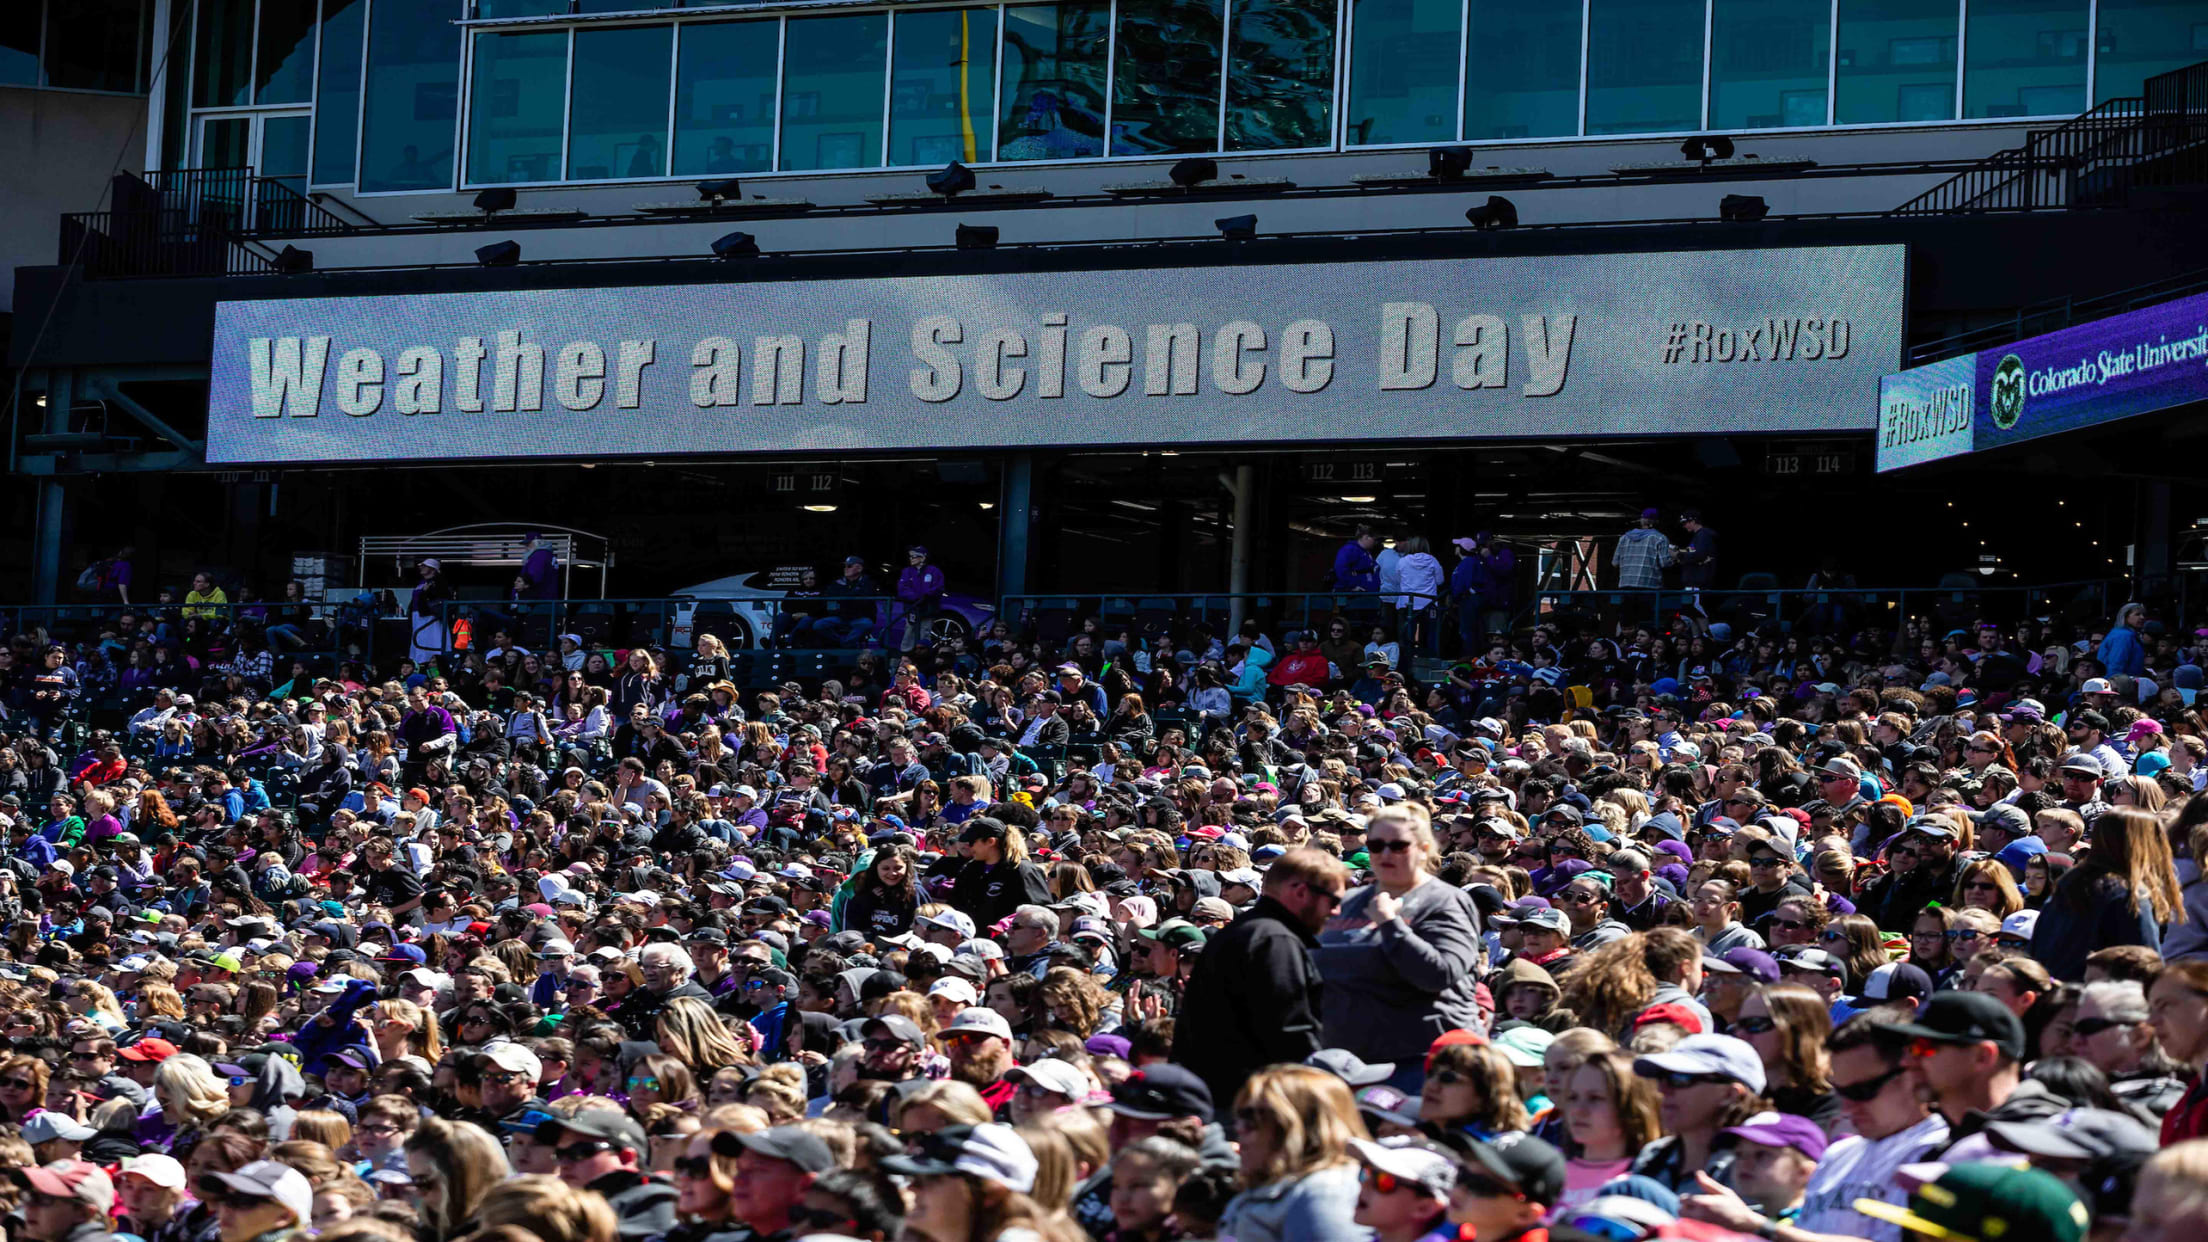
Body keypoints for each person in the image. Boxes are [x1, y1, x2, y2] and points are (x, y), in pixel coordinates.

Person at [1314, 805, 1484, 1088]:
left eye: (1398, 846)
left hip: (1421, 1064)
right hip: (1346, 1062)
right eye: (1376, 845)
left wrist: (1390, 923)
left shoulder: (1445, 901)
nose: (1385, 854)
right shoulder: (1349, 901)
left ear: (1423, 848)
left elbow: (1438, 974)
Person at [1174, 848, 1348, 1111]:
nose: (1336, 912)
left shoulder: (1252, 930)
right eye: (1333, 902)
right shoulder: (1274, 941)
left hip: (1222, 1098)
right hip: (1247, 1106)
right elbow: (1289, 1035)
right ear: (1300, 892)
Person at [1219, 1066, 1367, 1242]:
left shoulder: (1324, 1193)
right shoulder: (1270, 1186)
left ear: (1299, 1126)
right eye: (1239, 1117)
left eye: (1252, 1118)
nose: (1239, 1129)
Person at [1615, 510, 1675, 591]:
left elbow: (1615, 563)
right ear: (1657, 522)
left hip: (1625, 585)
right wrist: (1675, 556)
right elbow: (1664, 563)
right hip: (1650, 586)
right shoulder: (1660, 538)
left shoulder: (1624, 538)